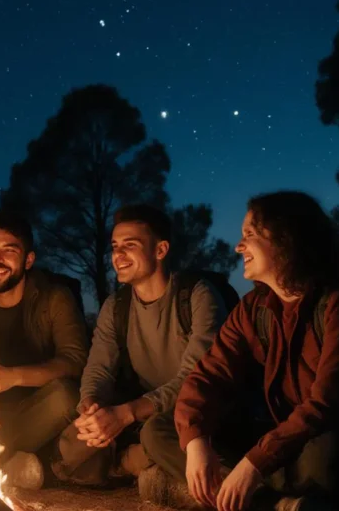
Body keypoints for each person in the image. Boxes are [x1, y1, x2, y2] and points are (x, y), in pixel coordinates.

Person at [139, 191, 339, 511]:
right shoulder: (254, 308)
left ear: (286, 240)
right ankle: (275, 507)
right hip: (282, 440)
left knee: (326, 457)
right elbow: (209, 376)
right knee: (160, 429)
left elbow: (328, 405)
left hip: (335, 437)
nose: (238, 247)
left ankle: (238, 494)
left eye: (249, 235)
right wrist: (197, 442)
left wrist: (254, 463)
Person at [53, 205, 229, 486]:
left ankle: (136, 465)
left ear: (160, 250)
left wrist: (126, 413)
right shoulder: (116, 306)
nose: (118, 255)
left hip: (201, 410)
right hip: (147, 411)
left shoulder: (197, 296)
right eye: (115, 246)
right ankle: (143, 466)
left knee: (156, 434)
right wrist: (91, 408)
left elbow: (194, 380)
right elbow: (98, 369)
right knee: (75, 439)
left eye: (130, 245)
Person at [0, 210, 89, 490]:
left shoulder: (54, 298)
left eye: (8, 251)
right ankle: (13, 466)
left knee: (65, 396)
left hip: (40, 414)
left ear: (28, 259)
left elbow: (75, 361)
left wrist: (12, 377)